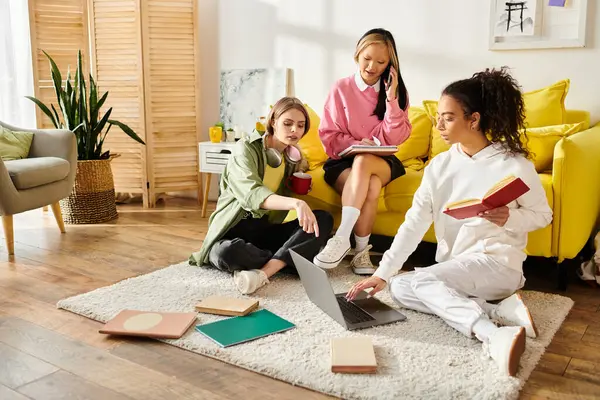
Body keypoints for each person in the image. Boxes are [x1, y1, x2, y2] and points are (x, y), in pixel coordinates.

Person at [346, 67, 553, 377]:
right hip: (457, 266)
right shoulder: (439, 166)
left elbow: (543, 216)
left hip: (498, 265)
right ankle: (496, 310)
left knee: (423, 281)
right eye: (438, 116)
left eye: (448, 117)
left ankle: (492, 334)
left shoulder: (514, 164)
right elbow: (414, 223)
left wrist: (510, 216)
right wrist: (382, 273)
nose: (438, 124)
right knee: (399, 286)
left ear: (474, 119)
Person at [189, 97, 334, 295]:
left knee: (322, 220)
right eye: (287, 123)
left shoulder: (292, 157)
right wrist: (296, 203)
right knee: (226, 253)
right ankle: (287, 258)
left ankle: (265, 271)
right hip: (232, 230)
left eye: (300, 126)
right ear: (273, 122)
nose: (295, 130)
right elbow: (251, 193)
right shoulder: (245, 150)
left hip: (263, 230)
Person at [313, 28, 412, 275]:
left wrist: (391, 99)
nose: (372, 66)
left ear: (390, 64)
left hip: (382, 161)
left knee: (366, 160)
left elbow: (395, 137)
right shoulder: (341, 88)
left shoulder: (396, 93)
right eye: (367, 58)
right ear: (357, 54)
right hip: (342, 161)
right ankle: (360, 252)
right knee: (372, 185)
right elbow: (329, 135)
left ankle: (341, 238)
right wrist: (356, 145)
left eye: (381, 62)